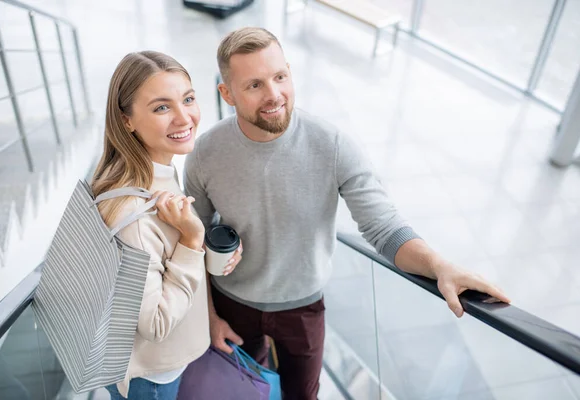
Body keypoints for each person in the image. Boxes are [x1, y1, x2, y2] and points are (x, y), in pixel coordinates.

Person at [183, 27, 511, 399]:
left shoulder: (333, 145)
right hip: (231, 302)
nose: (274, 95)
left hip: (302, 307)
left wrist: (440, 267)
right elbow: (192, 241)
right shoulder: (206, 153)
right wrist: (207, 316)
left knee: (303, 395)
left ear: (290, 71)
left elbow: (383, 227)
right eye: (254, 85)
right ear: (227, 93)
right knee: (240, 389)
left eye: (280, 77)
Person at [91, 51, 238, 400]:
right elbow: (155, 324)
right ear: (127, 120)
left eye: (187, 99)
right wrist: (192, 239)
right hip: (151, 379)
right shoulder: (134, 214)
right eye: (161, 108)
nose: (184, 117)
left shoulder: (155, 172)